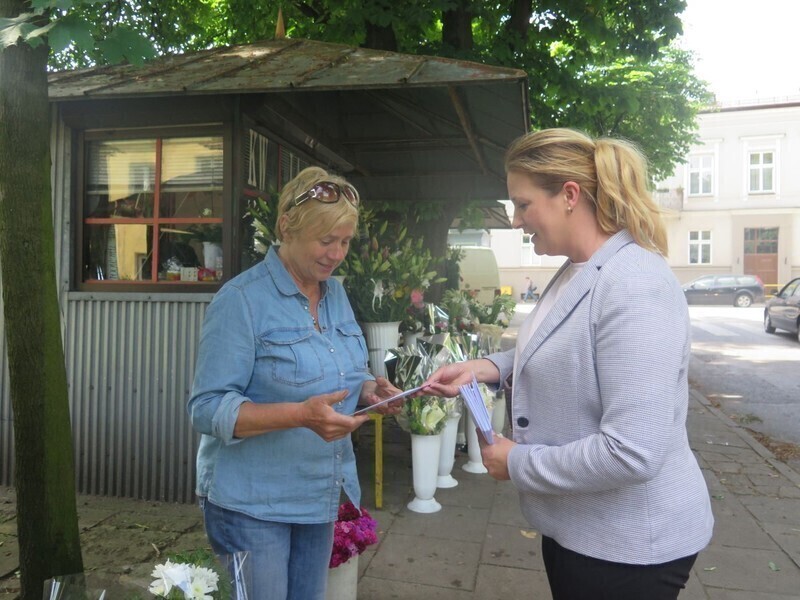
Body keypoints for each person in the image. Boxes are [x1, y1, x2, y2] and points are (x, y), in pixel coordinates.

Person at [425, 128, 714, 600]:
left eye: (523, 204)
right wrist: (489, 368)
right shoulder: (580, 267)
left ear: (569, 196)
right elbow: (569, 349)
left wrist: (517, 461)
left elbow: (632, 451)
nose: (516, 220)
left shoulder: (634, 284)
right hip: (581, 529)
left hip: (628, 546)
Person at [188, 166, 401, 600]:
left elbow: (344, 368)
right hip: (252, 505)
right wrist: (300, 416)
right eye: (326, 240)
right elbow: (206, 408)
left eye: (345, 242)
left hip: (319, 494)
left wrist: (368, 391)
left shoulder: (335, 294)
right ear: (287, 226)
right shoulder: (241, 300)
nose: (336, 254)